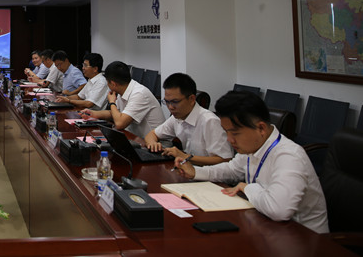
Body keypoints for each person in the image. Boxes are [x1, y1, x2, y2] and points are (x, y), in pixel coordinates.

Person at [174, 91, 328, 233]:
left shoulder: (289, 156)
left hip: (304, 238)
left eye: (234, 133)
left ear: (261, 128)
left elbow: (278, 210)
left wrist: (248, 188)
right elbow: (231, 169)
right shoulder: (253, 146)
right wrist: (196, 172)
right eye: (226, 132)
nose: (229, 139)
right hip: (267, 226)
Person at [144, 73, 233, 165]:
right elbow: (152, 134)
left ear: (191, 99)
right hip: (188, 168)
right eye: (167, 102)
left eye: (175, 102)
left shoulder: (210, 121)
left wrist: (185, 157)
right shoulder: (177, 117)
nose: (170, 107)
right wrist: (152, 144)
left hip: (208, 172)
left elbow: (225, 159)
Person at [80, 61, 165, 139]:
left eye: (107, 82)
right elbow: (115, 113)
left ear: (113, 84)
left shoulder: (139, 94)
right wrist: (92, 113)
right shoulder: (124, 88)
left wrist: (112, 102)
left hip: (156, 143)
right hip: (135, 138)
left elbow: (119, 123)